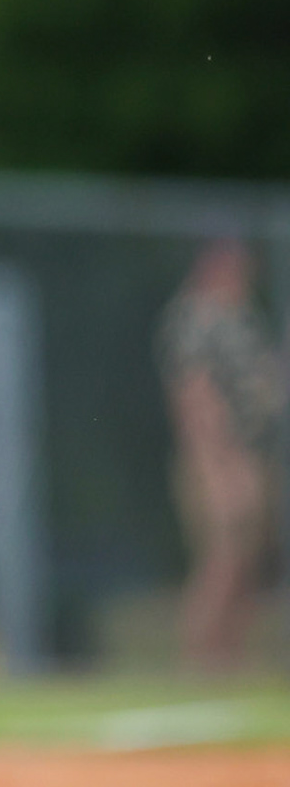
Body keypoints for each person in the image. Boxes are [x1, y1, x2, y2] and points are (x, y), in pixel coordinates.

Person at [158, 238, 284, 672]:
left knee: (246, 563)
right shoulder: (197, 315)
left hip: (249, 457)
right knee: (220, 561)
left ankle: (227, 663)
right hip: (216, 461)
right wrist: (218, 467)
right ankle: (199, 665)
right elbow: (194, 397)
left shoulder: (239, 317)